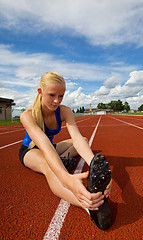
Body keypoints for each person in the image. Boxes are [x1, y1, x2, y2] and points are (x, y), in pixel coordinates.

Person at [19, 72, 112, 229]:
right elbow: (43, 144)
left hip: (52, 147)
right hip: (31, 151)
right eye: (52, 95)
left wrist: (95, 166)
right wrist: (66, 178)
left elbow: (75, 138)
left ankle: (62, 160)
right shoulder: (27, 116)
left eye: (61, 96)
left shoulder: (64, 111)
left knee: (83, 141)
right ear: (40, 92)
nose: (56, 100)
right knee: (50, 166)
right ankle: (89, 206)